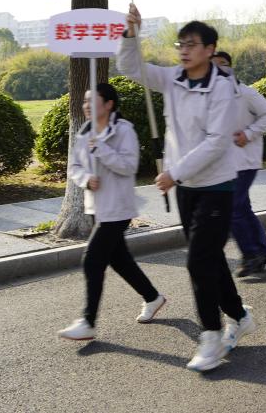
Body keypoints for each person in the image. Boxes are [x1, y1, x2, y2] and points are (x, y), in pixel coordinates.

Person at [119, 9, 254, 372]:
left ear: (210, 49)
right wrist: (130, 35)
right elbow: (130, 68)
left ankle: (210, 335)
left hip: (217, 186)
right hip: (186, 187)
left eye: (192, 44)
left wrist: (174, 173)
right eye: (181, 44)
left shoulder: (223, 87)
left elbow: (216, 142)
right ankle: (240, 315)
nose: (183, 50)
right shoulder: (172, 78)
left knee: (197, 261)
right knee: (209, 258)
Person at [58, 83, 167, 342]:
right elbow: (74, 167)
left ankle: (88, 321)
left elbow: (129, 166)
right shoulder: (85, 132)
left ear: (109, 104)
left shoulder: (123, 130)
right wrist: (86, 178)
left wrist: (101, 148)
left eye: (92, 101)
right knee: (119, 260)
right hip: (95, 206)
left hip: (118, 207)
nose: (86, 106)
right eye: (85, 101)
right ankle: (153, 297)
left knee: (92, 259)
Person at [211, 52, 266, 278]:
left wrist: (249, 134)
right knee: (242, 208)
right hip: (225, 163)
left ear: (231, 67)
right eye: (213, 65)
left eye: (222, 64)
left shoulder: (245, 93)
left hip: (245, 160)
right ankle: (264, 250)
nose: (218, 69)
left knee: (233, 208)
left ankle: (250, 255)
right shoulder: (211, 97)